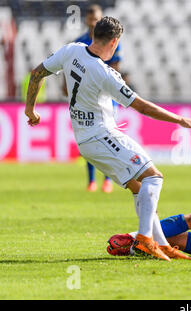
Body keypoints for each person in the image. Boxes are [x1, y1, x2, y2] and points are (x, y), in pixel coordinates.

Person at [24, 17, 191, 261]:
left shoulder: (71, 50)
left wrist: (30, 110)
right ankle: (144, 240)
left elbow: (37, 73)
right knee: (154, 177)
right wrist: (180, 120)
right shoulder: (105, 73)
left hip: (86, 141)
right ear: (114, 41)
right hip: (102, 136)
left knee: (139, 188)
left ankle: (161, 244)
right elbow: (142, 107)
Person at [64, 4, 122, 193]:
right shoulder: (80, 41)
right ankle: (91, 180)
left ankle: (108, 179)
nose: (93, 20)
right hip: (86, 96)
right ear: (87, 20)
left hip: (105, 96)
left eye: (96, 18)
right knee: (88, 137)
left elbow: (115, 70)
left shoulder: (113, 41)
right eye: (91, 18)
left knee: (108, 136)